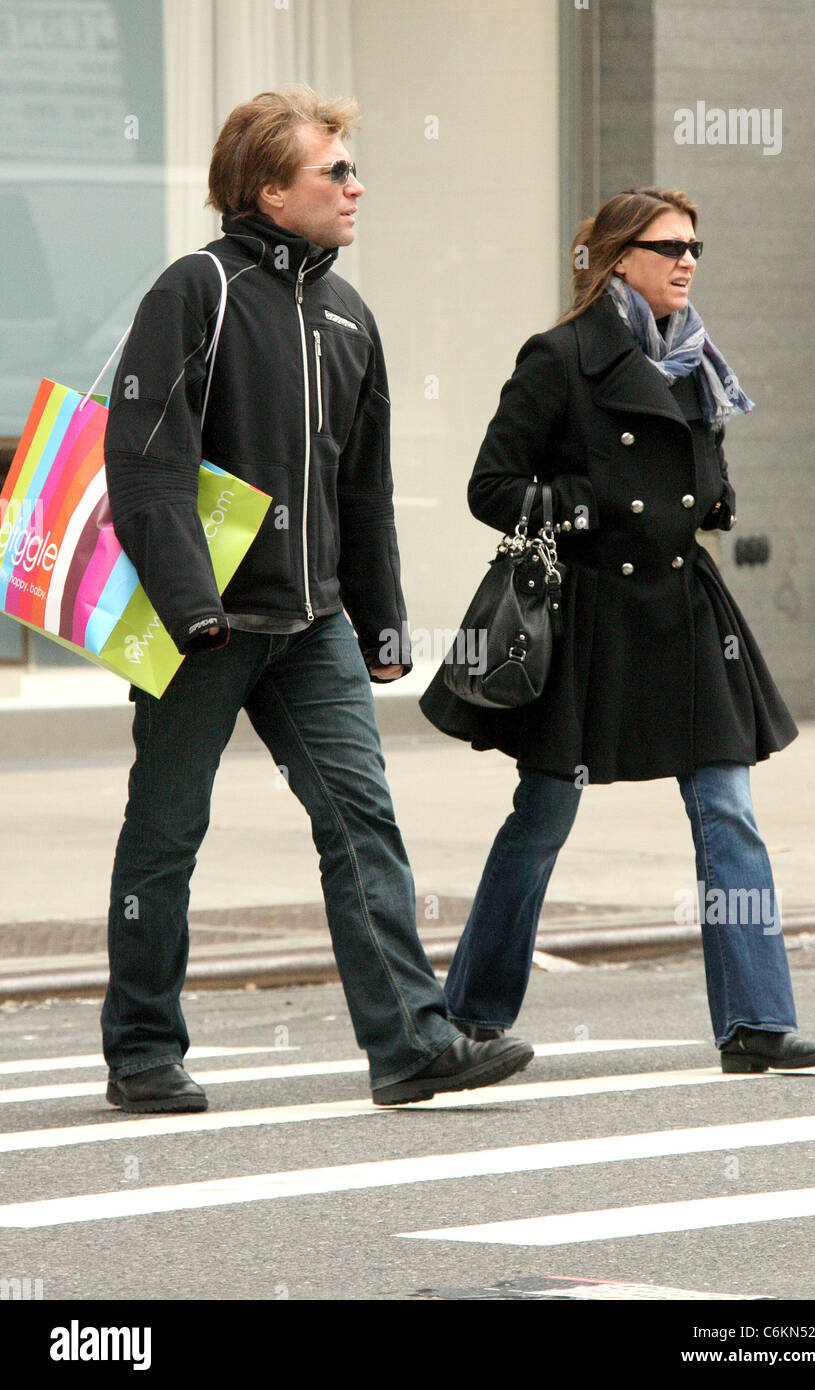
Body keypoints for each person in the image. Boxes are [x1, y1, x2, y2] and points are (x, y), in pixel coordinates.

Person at [99, 86, 533, 1112]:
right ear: (267, 190)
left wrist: (380, 620)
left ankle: (412, 1043)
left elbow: (360, 485)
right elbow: (145, 460)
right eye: (332, 170)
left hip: (312, 626)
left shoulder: (347, 311)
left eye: (351, 167)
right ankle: (143, 1049)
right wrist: (189, 603)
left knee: (362, 823)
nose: (355, 184)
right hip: (202, 626)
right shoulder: (194, 292)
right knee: (165, 836)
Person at [420, 187, 815, 1074]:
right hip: (590, 613)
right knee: (543, 815)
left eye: (695, 245)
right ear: (616, 259)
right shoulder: (560, 357)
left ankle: (757, 1021)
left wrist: (716, 491)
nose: (688, 260)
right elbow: (491, 487)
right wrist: (584, 504)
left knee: (727, 806)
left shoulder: (695, 361)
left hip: (685, 611)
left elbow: (703, 480)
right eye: (668, 246)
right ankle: (471, 1011)